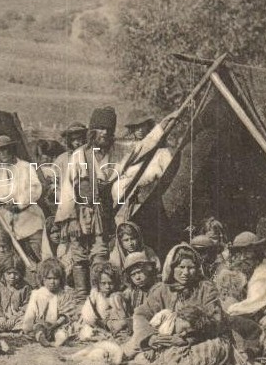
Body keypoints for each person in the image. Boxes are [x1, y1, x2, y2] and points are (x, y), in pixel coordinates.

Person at [54, 106, 181, 300]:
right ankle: (81, 295)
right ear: (92, 131)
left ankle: (98, 293)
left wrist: (164, 125)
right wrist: (71, 219)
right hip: (80, 212)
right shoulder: (80, 155)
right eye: (100, 128)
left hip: (105, 212)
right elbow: (68, 189)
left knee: (100, 252)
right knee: (79, 254)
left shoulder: (120, 151)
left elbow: (144, 146)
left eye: (108, 129)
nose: (104, 133)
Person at [130, 243, 238, 365]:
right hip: (168, 341)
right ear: (171, 267)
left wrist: (189, 339)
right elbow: (141, 315)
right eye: (181, 267)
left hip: (200, 339)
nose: (186, 273)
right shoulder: (163, 290)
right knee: (146, 347)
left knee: (213, 348)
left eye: (191, 267)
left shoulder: (206, 289)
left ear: (197, 268)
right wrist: (150, 338)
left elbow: (216, 321)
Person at [0, 135, 45, 263]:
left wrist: (20, 204)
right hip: (7, 217)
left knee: (39, 253)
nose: (4, 153)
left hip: (29, 215)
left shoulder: (24, 166)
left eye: (6, 149)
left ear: (12, 150)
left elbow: (35, 189)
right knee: (13, 256)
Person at [225, 232, 266, 357]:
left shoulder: (262, 273)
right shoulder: (244, 272)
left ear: (256, 253)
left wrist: (230, 309)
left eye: (247, 253)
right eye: (240, 253)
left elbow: (255, 302)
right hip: (253, 312)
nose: (243, 257)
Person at [21, 258, 80, 347]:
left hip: (58, 325)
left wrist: (55, 325)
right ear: (43, 279)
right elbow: (31, 312)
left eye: (55, 278)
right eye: (49, 278)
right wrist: (27, 327)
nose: (52, 282)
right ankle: (41, 338)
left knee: (62, 332)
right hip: (42, 323)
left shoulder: (63, 294)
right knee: (38, 328)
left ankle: (59, 341)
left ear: (61, 279)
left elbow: (66, 314)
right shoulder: (37, 294)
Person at [77, 262, 130, 344]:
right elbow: (88, 316)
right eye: (103, 283)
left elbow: (122, 317)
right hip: (98, 325)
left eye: (110, 283)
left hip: (115, 326)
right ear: (98, 283)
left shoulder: (118, 295)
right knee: (86, 333)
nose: (107, 286)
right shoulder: (95, 294)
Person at [0, 253, 32, 333]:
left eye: (15, 273)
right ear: (3, 273)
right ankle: (3, 327)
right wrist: (0, 316)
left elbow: (28, 304)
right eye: (9, 273)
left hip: (17, 318)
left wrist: (15, 317)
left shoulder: (25, 287)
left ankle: (15, 327)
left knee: (30, 317)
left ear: (21, 273)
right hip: (0, 318)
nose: (12, 276)